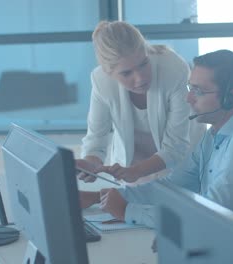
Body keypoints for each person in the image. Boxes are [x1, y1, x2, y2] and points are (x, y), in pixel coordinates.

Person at [80, 49, 233, 228]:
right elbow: (171, 187)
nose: (188, 98)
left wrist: (128, 212)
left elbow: (209, 211)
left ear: (230, 97)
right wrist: (101, 198)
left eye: (198, 91)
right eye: (190, 88)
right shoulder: (212, 137)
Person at [78, 21, 204, 185]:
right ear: (109, 72)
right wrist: (90, 164)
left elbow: (175, 146)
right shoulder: (101, 81)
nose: (140, 78)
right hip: (131, 169)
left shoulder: (174, 68)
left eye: (144, 64)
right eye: (126, 73)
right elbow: (96, 139)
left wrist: (136, 171)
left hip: (181, 163)